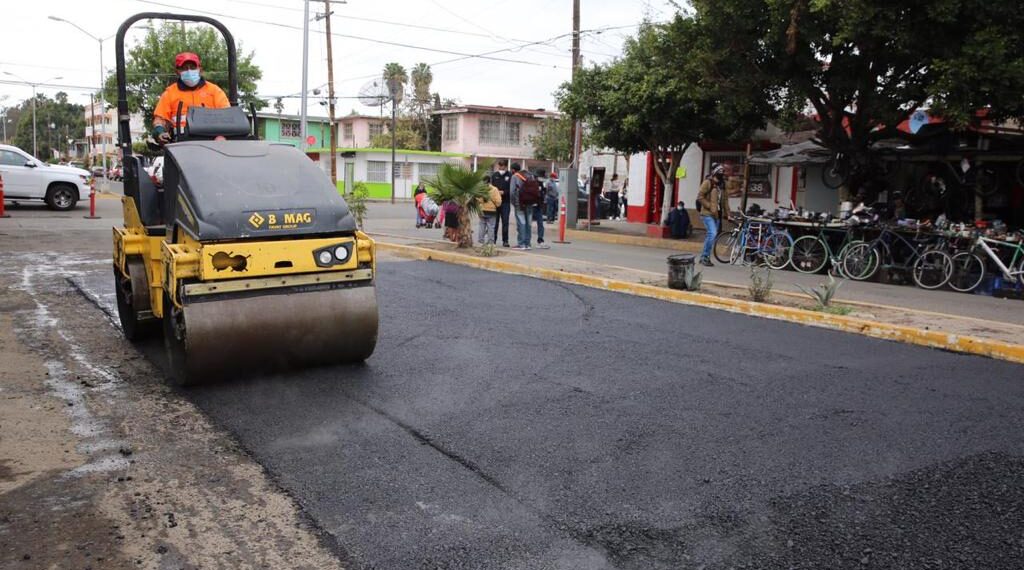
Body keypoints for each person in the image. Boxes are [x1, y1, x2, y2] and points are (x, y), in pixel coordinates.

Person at [152, 52, 230, 144]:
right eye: (184, 68)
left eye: (193, 67)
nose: (189, 71)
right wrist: (160, 131)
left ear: (200, 69)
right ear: (177, 71)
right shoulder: (169, 93)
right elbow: (160, 119)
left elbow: (227, 117)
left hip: (211, 143)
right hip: (179, 144)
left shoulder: (214, 91)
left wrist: (221, 137)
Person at [698, 163, 730, 266]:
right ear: (715, 172)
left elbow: (725, 201)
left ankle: (704, 256)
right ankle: (705, 257)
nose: (721, 175)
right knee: (712, 233)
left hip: (717, 215)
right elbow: (700, 197)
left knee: (711, 235)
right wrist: (710, 206)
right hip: (707, 214)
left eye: (722, 172)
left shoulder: (722, 185)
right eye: (719, 172)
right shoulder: (707, 183)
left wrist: (728, 214)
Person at [509, 162, 537, 250]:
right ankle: (528, 243)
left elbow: (512, 192)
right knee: (528, 223)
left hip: (519, 204)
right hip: (530, 202)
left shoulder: (515, 176)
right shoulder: (530, 175)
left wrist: (514, 203)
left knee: (521, 223)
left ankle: (521, 244)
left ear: (513, 170)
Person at [490, 160, 513, 247]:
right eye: (499, 166)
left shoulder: (510, 176)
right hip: (496, 202)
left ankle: (505, 241)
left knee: (505, 222)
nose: (501, 168)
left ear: (506, 166)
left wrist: (504, 192)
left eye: (502, 166)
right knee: (495, 222)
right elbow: (491, 187)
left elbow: (512, 188)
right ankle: (493, 240)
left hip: (505, 202)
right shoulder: (495, 175)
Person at [477, 175, 502, 245]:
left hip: (482, 210)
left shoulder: (480, 189)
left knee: (482, 226)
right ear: (490, 181)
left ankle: (480, 242)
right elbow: (498, 202)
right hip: (492, 211)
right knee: (491, 227)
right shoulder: (494, 189)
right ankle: (491, 243)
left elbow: (478, 200)